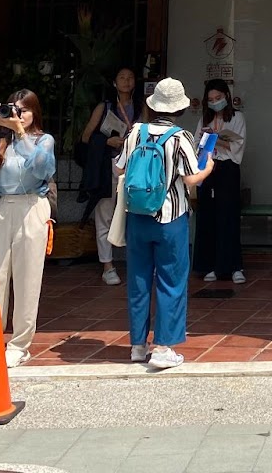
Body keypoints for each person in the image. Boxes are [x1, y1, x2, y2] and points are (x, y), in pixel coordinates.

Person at [108, 77, 213, 369]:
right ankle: (164, 347)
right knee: (171, 281)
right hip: (170, 218)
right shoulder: (180, 138)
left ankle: (137, 345)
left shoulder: (135, 132)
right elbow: (191, 178)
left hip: (137, 216)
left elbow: (118, 168)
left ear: (153, 106)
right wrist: (208, 168)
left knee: (138, 281)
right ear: (179, 109)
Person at [0, 89, 57, 367]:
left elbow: (42, 168)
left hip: (32, 206)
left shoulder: (44, 140)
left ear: (35, 112)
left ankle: (19, 344)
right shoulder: (2, 142)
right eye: (14, 109)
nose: (18, 114)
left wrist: (20, 131)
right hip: (4, 206)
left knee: (27, 278)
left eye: (25, 110)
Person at [80, 67, 143, 286]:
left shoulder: (141, 107)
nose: (126, 81)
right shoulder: (104, 107)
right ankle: (107, 266)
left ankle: (140, 263)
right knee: (105, 216)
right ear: (114, 83)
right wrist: (107, 141)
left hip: (135, 165)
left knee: (137, 214)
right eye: (122, 78)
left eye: (130, 77)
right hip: (108, 166)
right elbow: (86, 137)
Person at [194, 77, 247, 285]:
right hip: (208, 167)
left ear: (226, 96)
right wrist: (209, 140)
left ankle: (234, 266)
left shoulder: (237, 117)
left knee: (229, 216)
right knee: (208, 215)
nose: (215, 102)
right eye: (211, 99)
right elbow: (197, 144)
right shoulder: (205, 119)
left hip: (228, 168)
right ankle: (210, 265)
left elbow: (238, 145)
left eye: (218, 98)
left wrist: (218, 140)